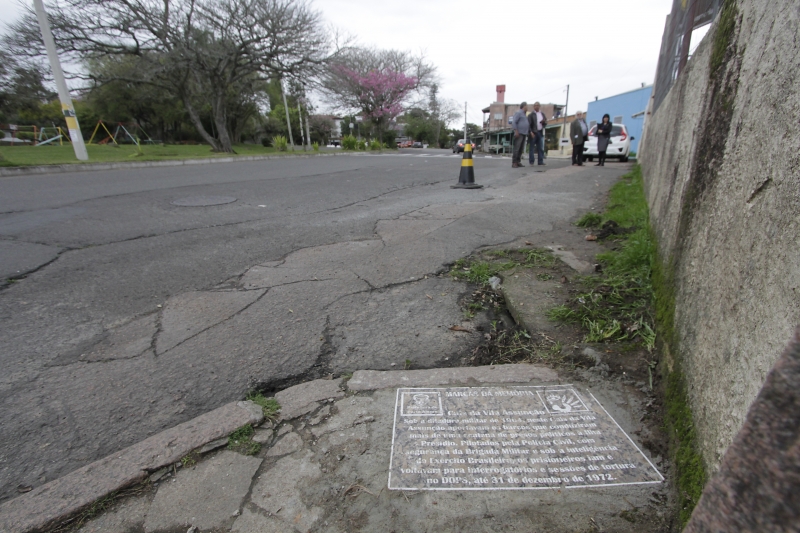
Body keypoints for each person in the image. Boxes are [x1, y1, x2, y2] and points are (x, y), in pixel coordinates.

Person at [511, 102, 529, 168]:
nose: (527, 107)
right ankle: (514, 162)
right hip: (519, 133)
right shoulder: (518, 113)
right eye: (527, 106)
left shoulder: (524, 114)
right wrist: (516, 131)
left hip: (524, 133)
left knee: (521, 149)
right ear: (524, 106)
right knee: (517, 148)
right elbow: (514, 122)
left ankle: (518, 162)